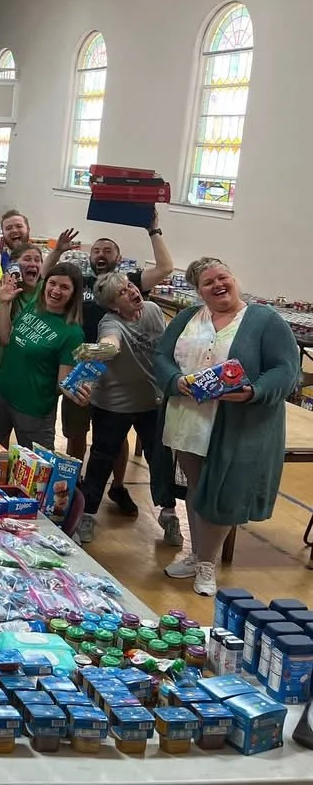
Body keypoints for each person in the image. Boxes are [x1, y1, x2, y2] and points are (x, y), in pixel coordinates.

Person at [153, 257, 299, 597]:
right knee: (198, 487)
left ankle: (206, 563)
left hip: (236, 422)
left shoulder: (265, 320)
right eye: (208, 282)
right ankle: (196, 555)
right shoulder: (188, 317)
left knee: (225, 492)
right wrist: (176, 381)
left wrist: (255, 391)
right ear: (199, 291)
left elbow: (285, 368)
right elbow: (161, 356)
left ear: (234, 278)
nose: (218, 285)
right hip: (188, 417)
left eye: (223, 277)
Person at [46, 215, 174, 505]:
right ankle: (77, 484)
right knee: (76, 433)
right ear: (89, 256)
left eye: (108, 250)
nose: (101, 254)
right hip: (83, 373)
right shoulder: (81, 282)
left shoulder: (132, 283)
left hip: (121, 382)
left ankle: (118, 487)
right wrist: (58, 251)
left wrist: (153, 229)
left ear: (118, 257)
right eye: (96, 250)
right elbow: (47, 279)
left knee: (115, 442)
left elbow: (165, 268)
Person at [73, 271, 176, 547]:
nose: (131, 291)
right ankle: (87, 515)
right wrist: (90, 356)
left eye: (130, 286)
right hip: (113, 405)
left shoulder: (153, 311)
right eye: (122, 292)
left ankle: (169, 514)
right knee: (101, 459)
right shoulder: (111, 323)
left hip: (151, 402)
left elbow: (167, 348)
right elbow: (110, 344)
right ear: (113, 306)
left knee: (161, 459)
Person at [0, 263, 86, 450]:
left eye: (64, 287)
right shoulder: (34, 306)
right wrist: (5, 303)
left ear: (74, 293)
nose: (56, 290)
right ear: (45, 284)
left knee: (38, 472)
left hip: (33, 410)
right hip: (1, 394)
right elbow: (6, 337)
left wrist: (77, 392)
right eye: (52, 283)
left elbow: (63, 382)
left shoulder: (72, 333)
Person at [0, 243, 44, 382]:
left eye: (37, 260)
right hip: (5, 366)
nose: (33, 263)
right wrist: (6, 301)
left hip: (35, 370)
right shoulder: (1, 286)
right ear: (14, 265)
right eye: (27, 259)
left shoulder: (46, 289)